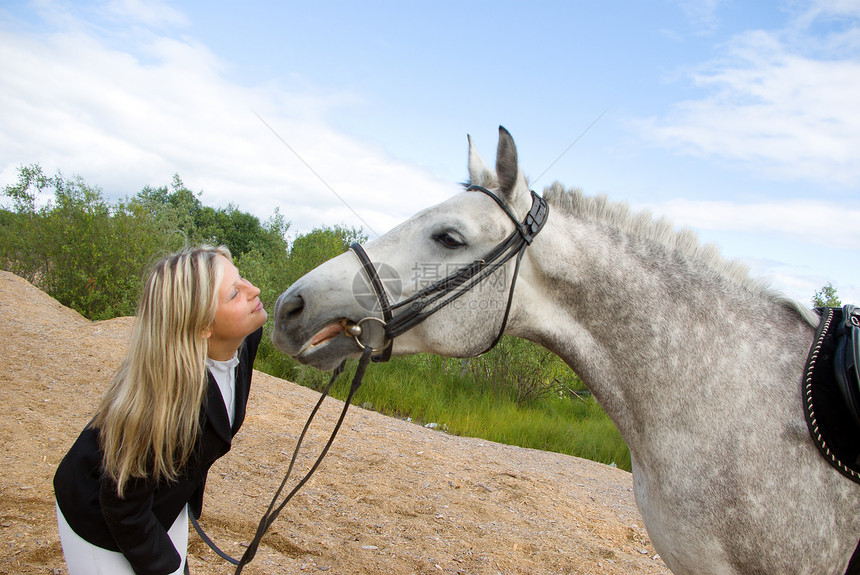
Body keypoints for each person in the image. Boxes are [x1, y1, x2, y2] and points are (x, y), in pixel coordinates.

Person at [53, 245, 268, 575]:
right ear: (202, 327)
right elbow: (122, 505)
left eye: (241, 278)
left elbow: (298, 319)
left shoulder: (242, 339)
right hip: (100, 515)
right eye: (234, 294)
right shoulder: (162, 407)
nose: (254, 291)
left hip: (162, 501)